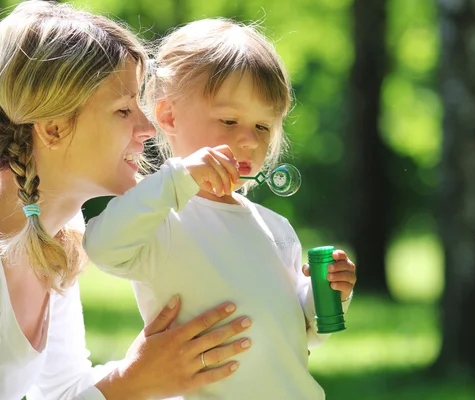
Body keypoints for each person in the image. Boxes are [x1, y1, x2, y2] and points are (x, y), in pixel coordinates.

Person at [82, 18, 358, 400]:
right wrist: (178, 178)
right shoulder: (161, 213)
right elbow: (103, 247)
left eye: (263, 127)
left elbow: (303, 332)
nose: (247, 140)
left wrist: (325, 295)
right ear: (169, 117)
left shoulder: (274, 227)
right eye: (229, 120)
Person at [0, 2, 253, 399]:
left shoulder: (61, 235)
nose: (147, 128)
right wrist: (134, 380)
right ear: (52, 129)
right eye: (123, 110)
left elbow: (65, 389)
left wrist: (164, 365)